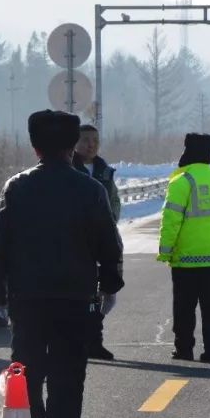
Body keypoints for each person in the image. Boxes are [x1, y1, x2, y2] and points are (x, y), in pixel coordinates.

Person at [0, 110, 124, 418]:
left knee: (27, 372)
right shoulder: (90, 190)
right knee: (68, 375)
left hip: (27, 298)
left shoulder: (17, 186)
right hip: (75, 298)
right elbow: (109, 244)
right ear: (71, 146)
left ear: (35, 147)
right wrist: (109, 285)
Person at [157, 133, 210, 363]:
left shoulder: (182, 182)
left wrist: (165, 250)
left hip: (186, 257)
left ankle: (184, 349)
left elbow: (171, 220)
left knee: (184, 308)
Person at [73, 124, 122, 360]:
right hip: (78, 244)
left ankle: (94, 338)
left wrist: (108, 226)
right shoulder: (70, 169)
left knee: (104, 294)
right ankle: (83, 339)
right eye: (85, 140)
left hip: (103, 241)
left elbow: (114, 203)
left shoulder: (105, 171)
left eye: (95, 140)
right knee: (83, 295)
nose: (91, 144)